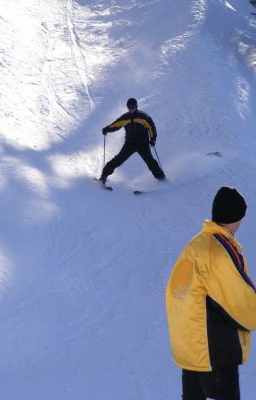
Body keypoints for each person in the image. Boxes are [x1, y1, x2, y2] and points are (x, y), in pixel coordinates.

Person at [166, 186, 256, 400]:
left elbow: (176, 291)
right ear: (236, 217)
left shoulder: (198, 243)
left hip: (191, 345)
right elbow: (239, 299)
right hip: (214, 349)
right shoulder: (218, 252)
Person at [99, 98, 165, 184]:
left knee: (150, 162)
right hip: (130, 143)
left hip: (143, 143)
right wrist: (106, 129)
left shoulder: (144, 116)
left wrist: (153, 139)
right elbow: (116, 125)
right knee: (118, 159)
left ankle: (162, 179)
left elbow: (151, 128)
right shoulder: (125, 117)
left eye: (133, 107)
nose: (131, 109)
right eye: (129, 107)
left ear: (136, 106)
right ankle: (103, 176)